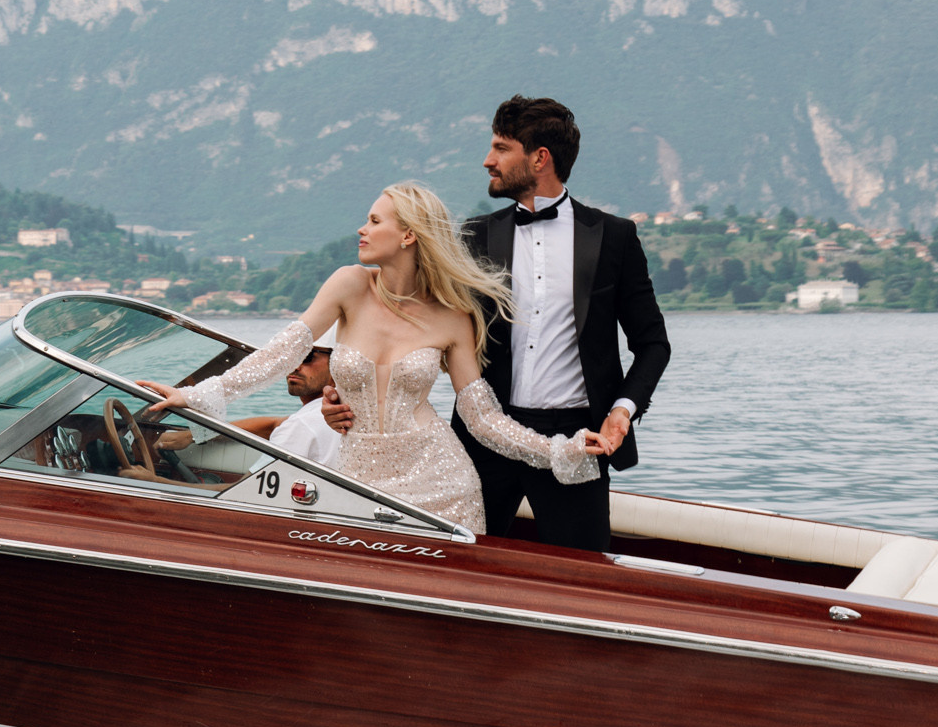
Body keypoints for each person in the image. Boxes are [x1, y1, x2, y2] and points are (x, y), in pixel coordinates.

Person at [140, 186, 597, 538]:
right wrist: (198, 394)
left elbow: (481, 418)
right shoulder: (349, 285)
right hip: (357, 475)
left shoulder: (453, 316)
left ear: (408, 234)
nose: (361, 229)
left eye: (374, 221)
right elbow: (281, 353)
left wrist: (561, 449)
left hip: (440, 482)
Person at [454, 95, 671, 550]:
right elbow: (428, 330)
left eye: (500, 148)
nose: (487, 161)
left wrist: (621, 412)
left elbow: (653, 343)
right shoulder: (474, 236)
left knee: (582, 583)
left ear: (539, 158)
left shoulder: (614, 237)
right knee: (460, 569)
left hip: (579, 439)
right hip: (485, 435)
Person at [240, 336, 354, 463]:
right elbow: (278, 423)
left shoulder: (300, 425)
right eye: (292, 357)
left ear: (336, 366)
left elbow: (255, 481)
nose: (295, 366)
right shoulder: (351, 412)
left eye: (307, 356)